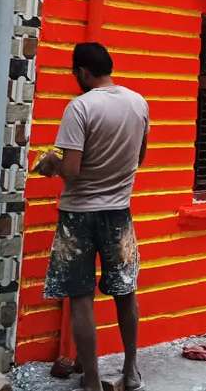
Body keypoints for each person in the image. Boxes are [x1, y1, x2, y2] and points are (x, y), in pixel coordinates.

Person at [35, 42, 149, 391]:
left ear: (83, 72)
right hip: (119, 213)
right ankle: (131, 370)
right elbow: (139, 158)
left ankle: (93, 381)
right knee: (125, 291)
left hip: (78, 216)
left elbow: (71, 169)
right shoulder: (138, 103)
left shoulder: (80, 107)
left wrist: (49, 164)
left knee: (81, 296)